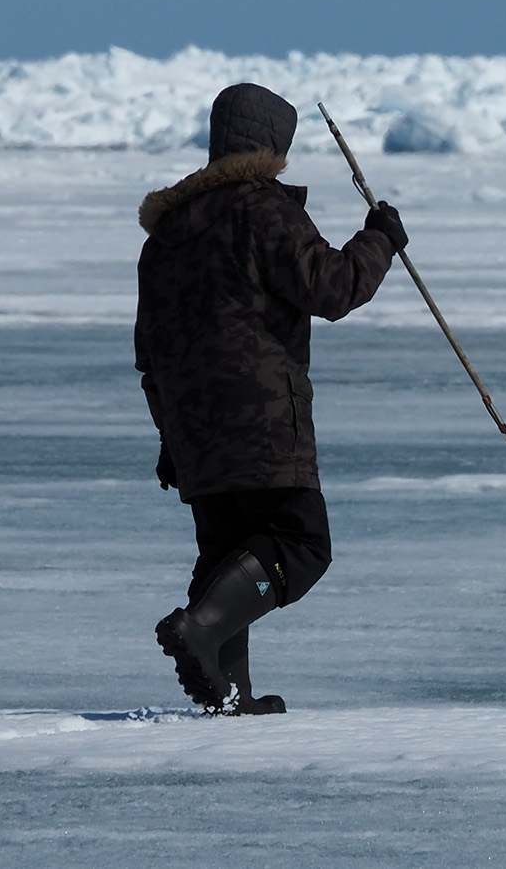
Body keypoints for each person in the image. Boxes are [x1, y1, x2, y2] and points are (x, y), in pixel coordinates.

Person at [134, 83, 407, 714]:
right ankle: (199, 631)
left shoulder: (165, 241)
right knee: (301, 544)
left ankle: (229, 697)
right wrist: (381, 240)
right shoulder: (263, 210)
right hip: (260, 422)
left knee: (228, 551)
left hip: (194, 433)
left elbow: (150, 355)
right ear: (271, 143)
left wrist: (171, 441)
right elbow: (333, 287)